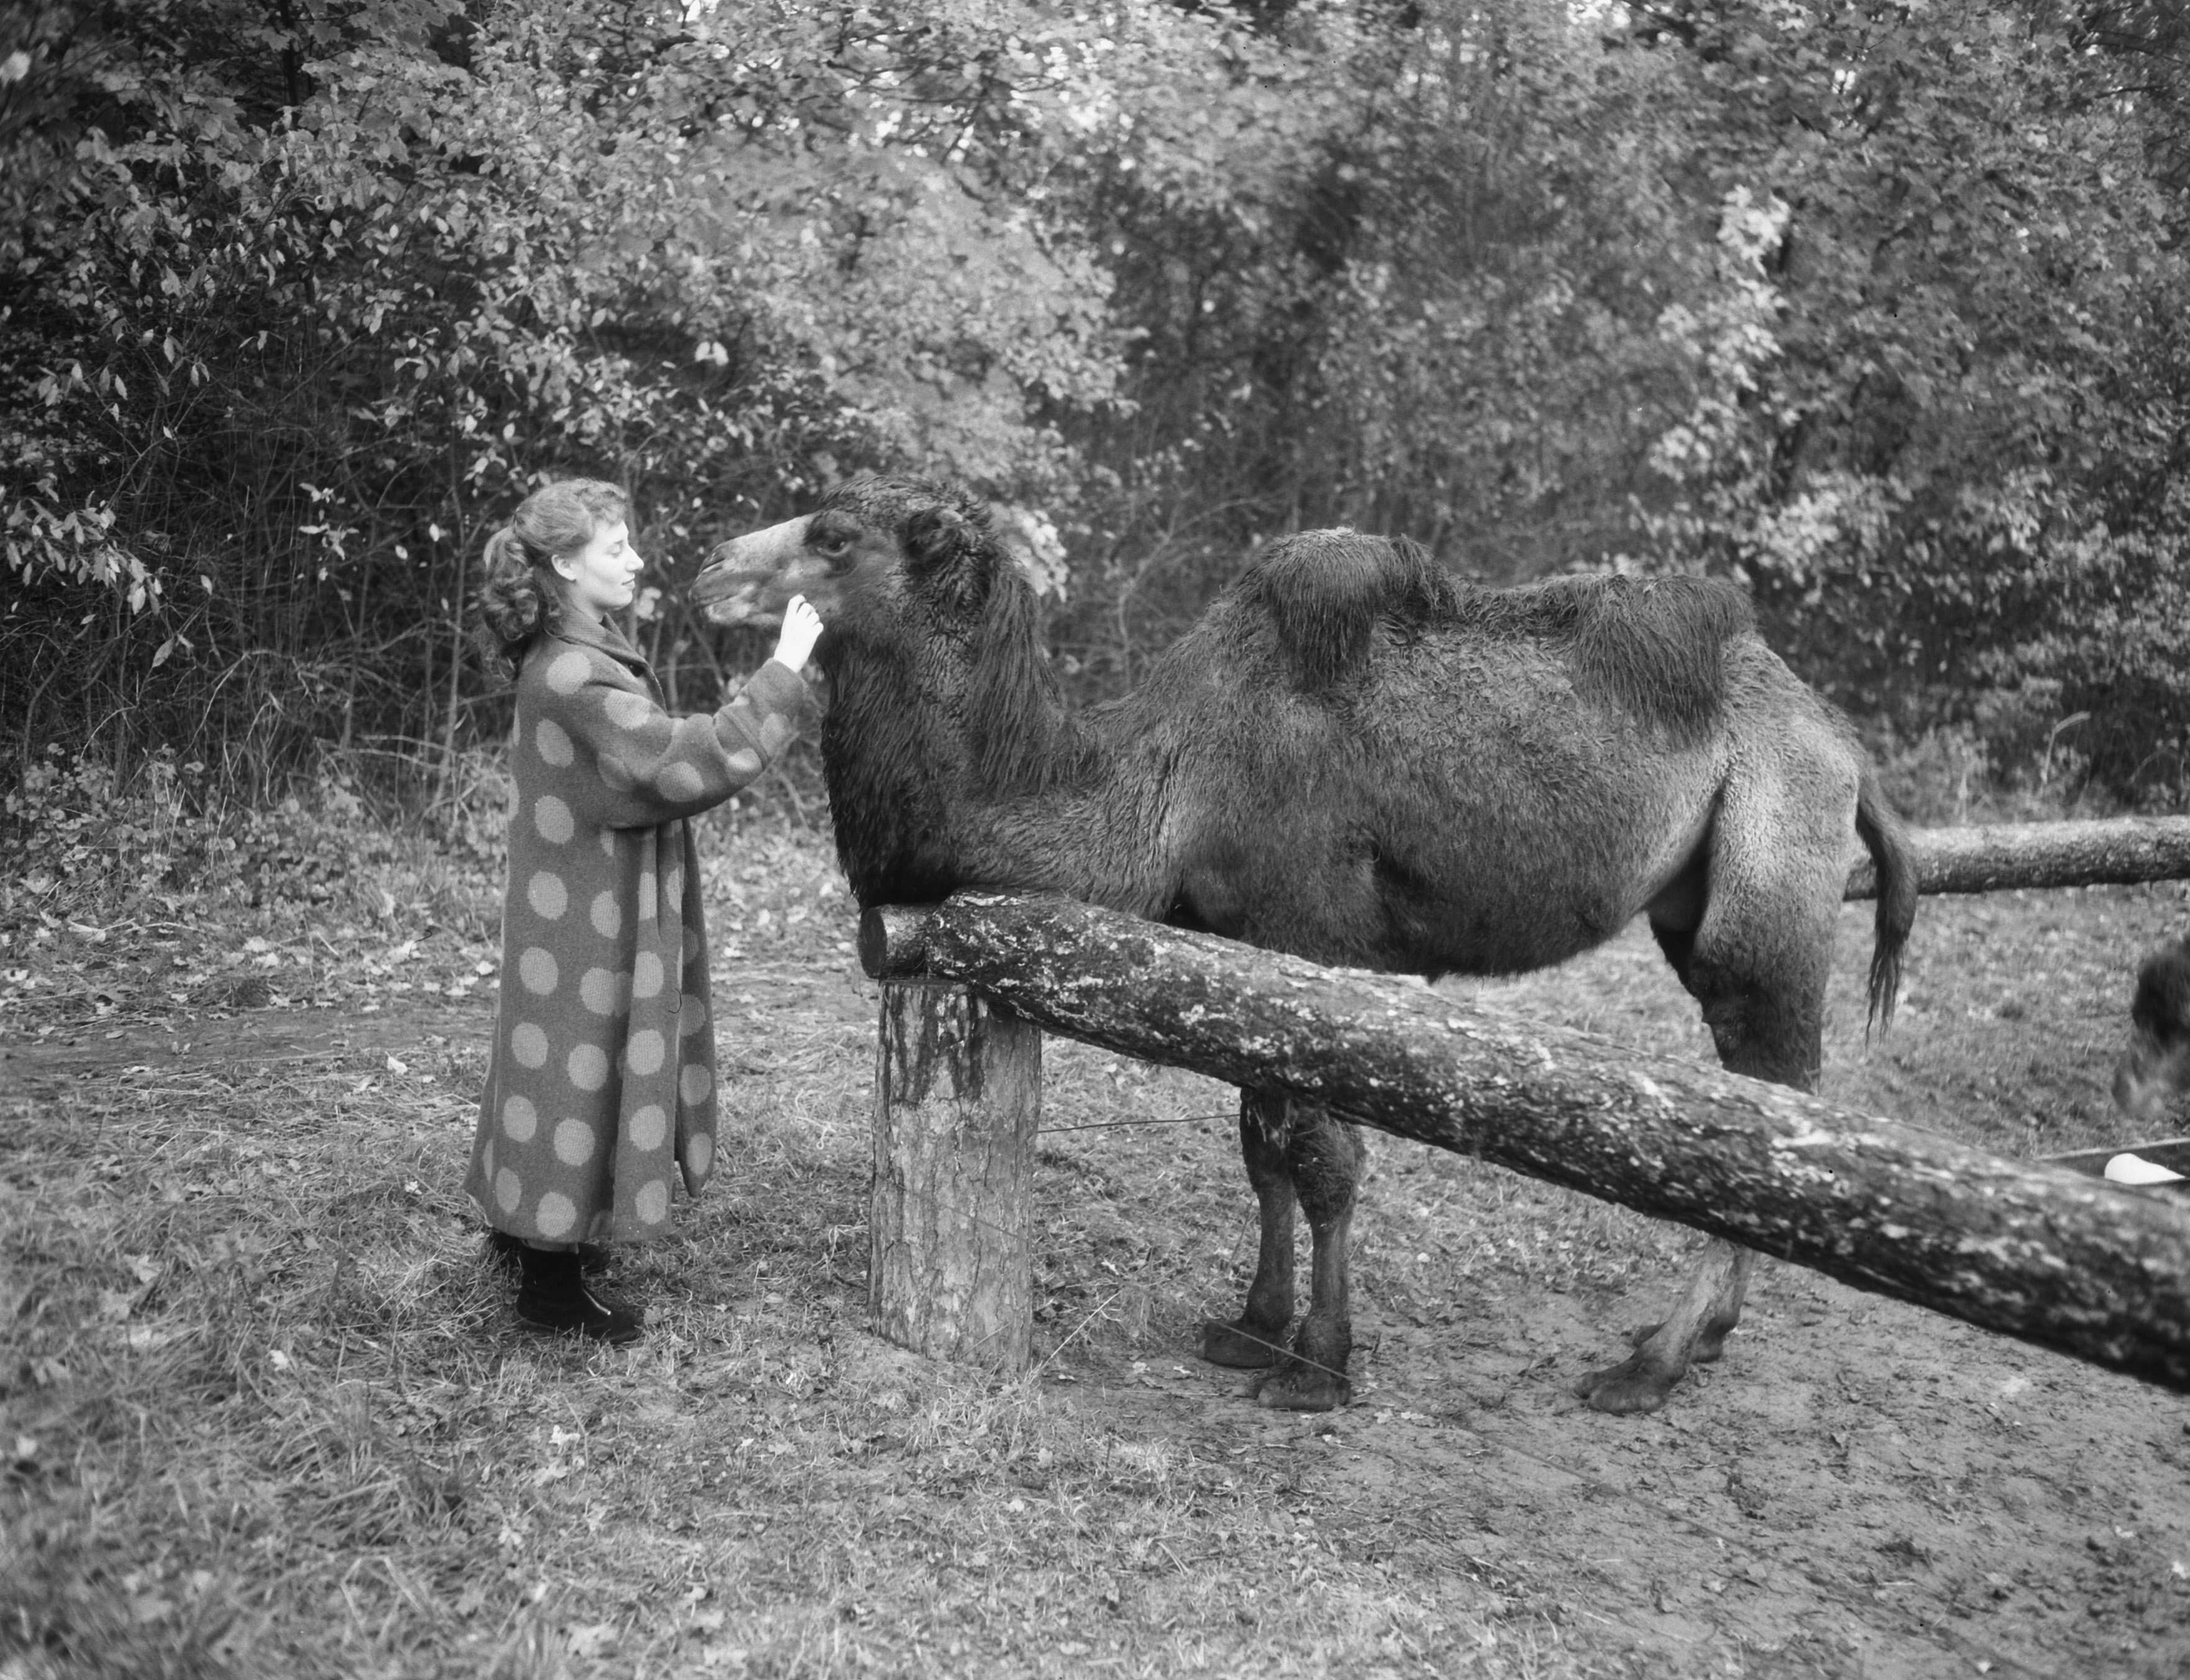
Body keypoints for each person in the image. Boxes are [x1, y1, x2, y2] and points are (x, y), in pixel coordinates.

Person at [467, 477, 824, 1343]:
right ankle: (548, 1292)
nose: (636, 559)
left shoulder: (575, 645)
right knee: (573, 1068)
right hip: (585, 909)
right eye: (615, 546)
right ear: (563, 562)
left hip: (579, 892)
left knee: (552, 1057)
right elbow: (671, 761)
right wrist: (782, 673)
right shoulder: (573, 671)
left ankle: (526, 1239)